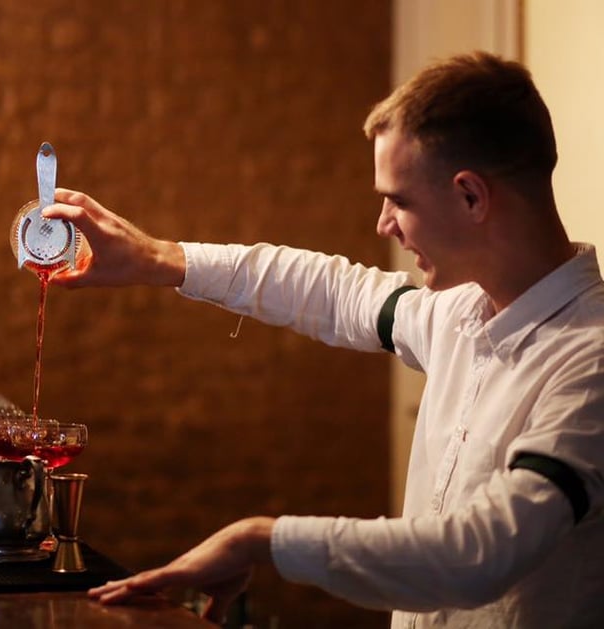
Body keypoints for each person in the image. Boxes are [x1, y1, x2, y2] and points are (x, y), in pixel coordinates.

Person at [42, 51, 604, 628]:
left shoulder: (589, 363)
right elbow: (333, 292)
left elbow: (479, 554)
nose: (384, 223)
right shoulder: (459, 312)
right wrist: (160, 259)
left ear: (471, 196)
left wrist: (264, 540)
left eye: (399, 199)